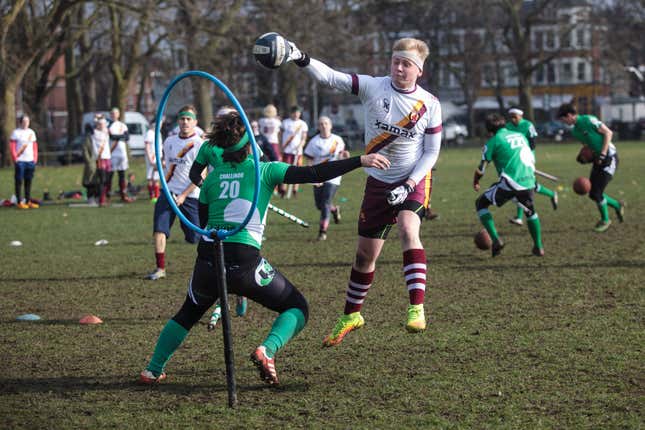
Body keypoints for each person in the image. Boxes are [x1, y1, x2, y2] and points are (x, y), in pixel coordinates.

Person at [139, 111, 389, 385]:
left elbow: (205, 222)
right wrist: (360, 160)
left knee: (187, 313)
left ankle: (153, 368)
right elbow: (315, 172)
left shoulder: (211, 179)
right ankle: (267, 350)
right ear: (250, 142)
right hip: (245, 262)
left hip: (208, 261)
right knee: (297, 307)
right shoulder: (266, 171)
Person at [285, 36, 442, 344]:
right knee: (364, 257)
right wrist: (299, 57)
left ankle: (416, 307)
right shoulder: (374, 86)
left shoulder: (431, 105)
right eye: (395, 61)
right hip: (377, 184)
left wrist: (410, 183)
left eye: (406, 64)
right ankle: (351, 315)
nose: (398, 68)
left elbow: (432, 152)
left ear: (419, 70)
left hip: (413, 180)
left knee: (408, 229)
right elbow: (331, 77)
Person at [145, 105, 205, 281]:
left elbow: (201, 176)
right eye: (182, 118)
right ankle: (160, 268)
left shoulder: (200, 145)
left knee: (195, 237)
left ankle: (208, 266)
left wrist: (184, 195)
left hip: (190, 196)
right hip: (168, 192)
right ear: (178, 121)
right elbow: (166, 164)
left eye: (188, 119)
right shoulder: (169, 141)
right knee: (159, 229)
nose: (185, 122)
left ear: (195, 122)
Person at [473, 113, 545, 257]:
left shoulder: (493, 141)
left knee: (481, 203)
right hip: (529, 179)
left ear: (489, 130)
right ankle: (538, 247)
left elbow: (481, 169)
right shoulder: (520, 135)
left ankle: (496, 240)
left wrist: (476, 181)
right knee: (530, 211)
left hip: (511, 182)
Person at [557, 103, 624, 232]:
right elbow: (588, 146)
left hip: (609, 158)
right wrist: (585, 156)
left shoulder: (588, 120)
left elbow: (608, 133)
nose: (563, 122)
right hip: (598, 160)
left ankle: (606, 220)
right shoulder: (575, 131)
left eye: (563, 119)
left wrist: (603, 154)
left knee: (596, 193)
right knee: (593, 194)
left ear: (569, 115)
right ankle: (617, 205)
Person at [505, 107, 558, 226]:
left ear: (521, 116)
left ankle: (519, 217)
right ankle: (551, 194)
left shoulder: (528, 125)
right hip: (514, 159)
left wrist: (526, 159)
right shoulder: (508, 126)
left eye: (515, 117)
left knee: (521, 186)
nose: (513, 119)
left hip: (526, 158)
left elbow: (533, 143)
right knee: (527, 185)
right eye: (511, 117)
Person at [303, 116, 349, 240]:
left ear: (330, 125)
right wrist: (312, 177)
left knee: (325, 202)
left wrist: (344, 155)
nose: (324, 126)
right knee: (319, 205)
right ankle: (334, 210)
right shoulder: (314, 142)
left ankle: (322, 231)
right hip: (318, 176)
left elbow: (341, 155)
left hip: (333, 176)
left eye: (326, 123)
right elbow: (309, 160)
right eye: (321, 124)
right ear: (318, 126)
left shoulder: (337, 140)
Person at [10, 114, 39, 209]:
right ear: (21, 122)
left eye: (28, 121)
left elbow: (34, 146)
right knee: (19, 181)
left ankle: (27, 200)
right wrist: (15, 158)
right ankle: (19, 201)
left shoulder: (31, 132)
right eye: (24, 121)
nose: (26, 123)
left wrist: (35, 158)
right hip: (20, 161)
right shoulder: (16, 133)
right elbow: (12, 146)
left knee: (28, 181)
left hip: (30, 161)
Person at [280, 105, 309, 197]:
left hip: (297, 152)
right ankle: (283, 189)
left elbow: (304, 138)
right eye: (294, 112)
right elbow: (280, 135)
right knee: (285, 170)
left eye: (298, 112)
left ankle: (295, 190)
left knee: (297, 170)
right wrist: (281, 146)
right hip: (287, 150)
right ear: (291, 113)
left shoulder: (303, 124)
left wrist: (300, 146)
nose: (296, 114)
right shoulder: (285, 122)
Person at [107, 107, 133, 203]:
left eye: (115, 113)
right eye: (112, 113)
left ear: (118, 114)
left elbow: (126, 137)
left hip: (122, 153)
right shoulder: (108, 125)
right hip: (111, 153)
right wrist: (119, 136)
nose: (114, 115)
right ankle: (107, 195)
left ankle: (123, 195)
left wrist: (117, 137)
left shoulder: (122, 125)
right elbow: (110, 136)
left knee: (122, 175)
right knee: (109, 175)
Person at [90, 114, 112, 206]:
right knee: (102, 179)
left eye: (104, 124)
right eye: (101, 124)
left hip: (107, 157)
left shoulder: (106, 132)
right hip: (100, 158)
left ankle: (104, 197)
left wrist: (102, 116)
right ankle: (101, 199)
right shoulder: (95, 133)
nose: (103, 126)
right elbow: (95, 147)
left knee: (107, 179)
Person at [82, 122, 100, 205]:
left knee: (98, 181)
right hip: (91, 163)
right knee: (90, 180)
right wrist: (89, 161)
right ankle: (91, 197)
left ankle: (97, 196)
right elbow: (85, 150)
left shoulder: (98, 137)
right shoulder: (87, 138)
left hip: (99, 161)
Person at [144, 121, 161, 203]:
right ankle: (152, 195)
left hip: (158, 158)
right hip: (151, 157)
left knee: (156, 177)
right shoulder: (150, 133)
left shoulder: (158, 133)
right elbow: (147, 146)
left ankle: (157, 196)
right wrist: (150, 159)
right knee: (150, 177)